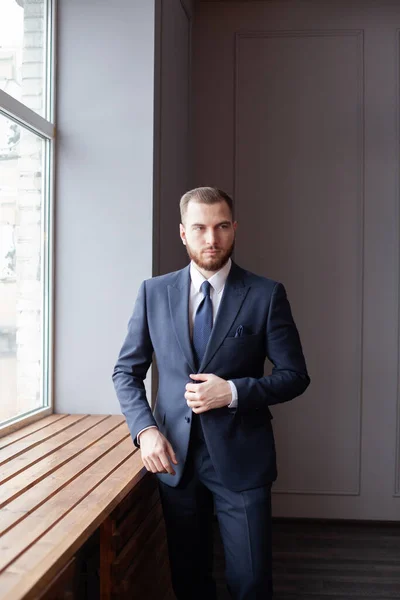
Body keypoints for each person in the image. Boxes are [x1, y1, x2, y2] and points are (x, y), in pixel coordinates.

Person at [112, 186, 310, 600]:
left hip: (243, 459)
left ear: (234, 229)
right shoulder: (154, 293)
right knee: (190, 579)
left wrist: (233, 392)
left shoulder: (265, 294)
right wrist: (145, 431)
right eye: (200, 228)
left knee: (252, 582)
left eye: (221, 226)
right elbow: (126, 372)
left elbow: (295, 375)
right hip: (175, 460)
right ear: (183, 233)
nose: (211, 238)